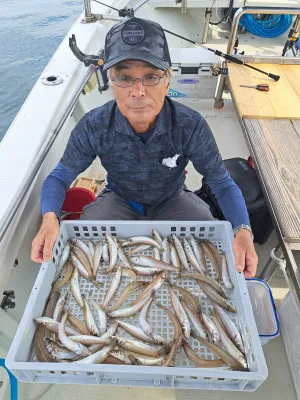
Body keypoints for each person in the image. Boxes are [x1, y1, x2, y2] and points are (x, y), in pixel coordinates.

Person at [31, 17, 258, 278]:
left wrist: (243, 229)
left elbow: (222, 183)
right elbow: (59, 177)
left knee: (207, 236)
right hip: (119, 198)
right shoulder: (94, 125)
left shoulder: (190, 125)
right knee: (89, 249)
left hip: (172, 198)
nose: (138, 91)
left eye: (151, 76)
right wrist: (49, 218)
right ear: (111, 83)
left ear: (167, 81)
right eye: (125, 77)